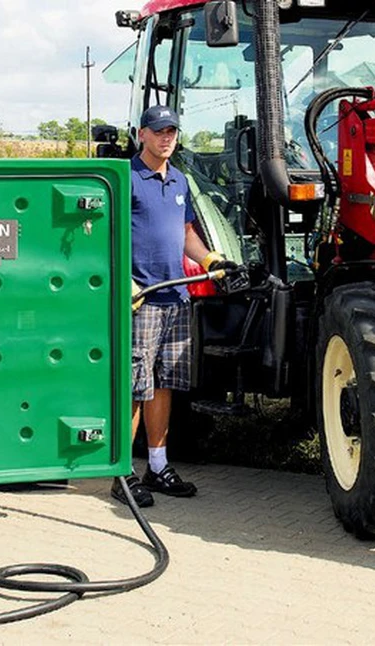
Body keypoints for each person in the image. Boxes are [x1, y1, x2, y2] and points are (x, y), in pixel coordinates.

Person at [111, 105, 239, 508]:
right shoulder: (125, 180)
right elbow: (103, 238)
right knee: (134, 385)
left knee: (163, 384)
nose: (166, 138)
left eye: (172, 131)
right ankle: (121, 473)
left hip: (177, 297)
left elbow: (186, 234)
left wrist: (209, 261)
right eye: (158, 131)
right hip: (142, 300)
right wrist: (123, 281)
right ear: (140, 134)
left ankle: (158, 465)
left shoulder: (179, 180)